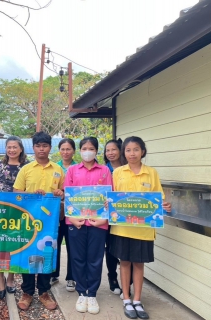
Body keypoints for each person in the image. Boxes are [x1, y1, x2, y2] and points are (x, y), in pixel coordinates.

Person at [109, 136, 171, 320]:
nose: (132, 153)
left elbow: (158, 197)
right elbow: (112, 196)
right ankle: (126, 298)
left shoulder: (151, 173)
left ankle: (137, 299)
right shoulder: (118, 172)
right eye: (128, 150)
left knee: (139, 263)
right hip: (122, 227)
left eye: (136, 149)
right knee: (125, 262)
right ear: (124, 152)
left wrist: (164, 205)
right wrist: (108, 203)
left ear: (142, 151)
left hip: (143, 228)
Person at [13, 131, 64, 311]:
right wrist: (31, 195)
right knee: (28, 254)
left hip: (50, 223)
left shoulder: (58, 170)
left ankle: (44, 291)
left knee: (46, 255)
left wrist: (60, 193)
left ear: (50, 147)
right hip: (28, 221)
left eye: (45, 146)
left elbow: (63, 192)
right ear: (33, 148)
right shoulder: (26, 169)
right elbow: (16, 193)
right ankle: (27, 292)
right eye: (38, 146)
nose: (41, 149)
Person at [65, 137, 112, 315]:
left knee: (95, 259)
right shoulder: (72, 170)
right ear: (80, 151)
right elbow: (68, 197)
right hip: (75, 222)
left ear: (96, 151)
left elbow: (109, 198)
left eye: (91, 148)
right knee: (77, 258)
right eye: (84, 148)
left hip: (98, 223)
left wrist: (103, 219)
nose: (87, 151)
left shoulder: (105, 171)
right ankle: (81, 293)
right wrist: (72, 217)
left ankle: (92, 294)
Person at [0, 136, 29, 300]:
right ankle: (0, 277)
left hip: (19, 211)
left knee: (15, 242)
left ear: (21, 149)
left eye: (15, 147)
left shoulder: (28, 166)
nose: (11, 150)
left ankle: (11, 277)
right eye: (9, 147)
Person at [50, 138, 77, 292]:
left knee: (72, 245)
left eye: (68, 149)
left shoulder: (78, 167)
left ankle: (71, 277)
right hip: (56, 212)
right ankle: (54, 274)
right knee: (55, 243)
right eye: (63, 149)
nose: (65, 152)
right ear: (59, 151)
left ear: (74, 151)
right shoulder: (55, 168)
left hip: (74, 212)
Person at [103, 139, 123, 295]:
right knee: (110, 247)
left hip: (124, 215)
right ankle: (113, 277)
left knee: (124, 247)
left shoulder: (126, 169)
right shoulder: (103, 169)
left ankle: (127, 281)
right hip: (107, 215)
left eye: (113, 149)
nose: (110, 153)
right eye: (107, 150)